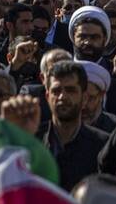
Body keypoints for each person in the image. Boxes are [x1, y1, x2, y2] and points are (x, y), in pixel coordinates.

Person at [40, 61, 108, 191]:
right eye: (56, 90)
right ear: (47, 97)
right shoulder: (31, 139)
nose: (62, 97)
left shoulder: (102, 145)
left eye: (71, 90)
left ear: (84, 98)